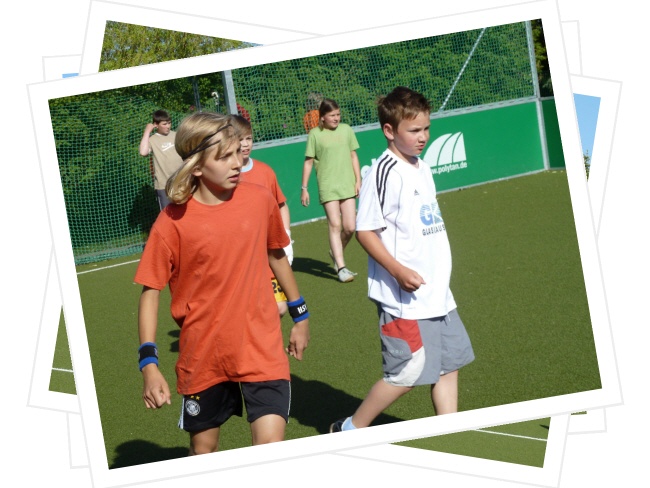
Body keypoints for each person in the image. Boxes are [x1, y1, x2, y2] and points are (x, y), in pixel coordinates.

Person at [134, 112, 310, 455]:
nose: (237, 163)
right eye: (225, 156)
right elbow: (150, 292)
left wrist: (300, 314)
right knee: (203, 452)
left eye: (237, 153)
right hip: (204, 355)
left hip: (262, 346)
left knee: (271, 447)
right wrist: (149, 364)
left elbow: (276, 255)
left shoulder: (259, 199)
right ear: (197, 167)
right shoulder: (171, 222)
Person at [329, 87, 474, 433]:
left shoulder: (423, 167)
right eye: (414, 130)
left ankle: (449, 433)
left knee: (448, 365)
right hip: (404, 298)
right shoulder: (384, 171)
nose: (423, 136)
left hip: (438, 293)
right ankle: (351, 428)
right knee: (406, 374)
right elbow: (365, 231)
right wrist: (397, 271)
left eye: (426, 128)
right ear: (389, 130)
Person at [229, 114, 294, 317]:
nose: (245, 144)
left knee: (279, 308)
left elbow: (281, 205)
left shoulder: (265, 171)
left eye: (248, 138)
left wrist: (286, 236)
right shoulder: (225, 175)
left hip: (269, 252)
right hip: (241, 255)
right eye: (240, 139)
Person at [301, 98, 361, 283]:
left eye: (338, 114)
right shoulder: (315, 134)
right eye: (332, 115)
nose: (336, 118)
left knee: (350, 227)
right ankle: (341, 268)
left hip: (347, 184)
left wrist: (358, 180)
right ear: (323, 117)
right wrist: (304, 188)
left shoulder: (346, 130)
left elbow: (353, 155)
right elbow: (308, 162)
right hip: (328, 185)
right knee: (335, 224)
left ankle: (335, 252)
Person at [139, 110, 184, 210]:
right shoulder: (152, 140)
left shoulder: (176, 135)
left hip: (182, 182)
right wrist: (147, 131)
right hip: (164, 185)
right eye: (164, 124)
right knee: (167, 215)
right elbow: (143, 152)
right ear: (156, 125)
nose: (168, 126)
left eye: (169, 123)